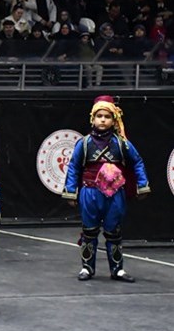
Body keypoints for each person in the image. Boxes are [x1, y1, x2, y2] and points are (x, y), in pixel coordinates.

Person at [62, 96, 150, 283]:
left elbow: (137, 162)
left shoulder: (122, 143)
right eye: (99, 116)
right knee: (89, 232)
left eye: (107, 116)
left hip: (114, 195)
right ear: (92, 118)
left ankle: (117, 269)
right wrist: (70, 191)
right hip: (90, 193)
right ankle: (87, 267)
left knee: (114, 232)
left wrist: (142, 185)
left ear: (114, 119)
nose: (103, 120)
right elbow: (74, 167)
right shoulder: (84, 143)